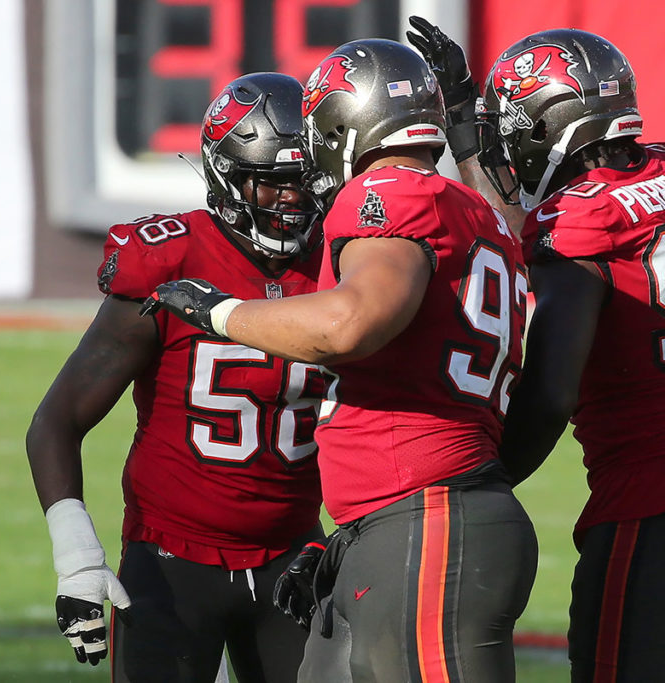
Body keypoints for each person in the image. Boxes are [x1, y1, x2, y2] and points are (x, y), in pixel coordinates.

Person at [141, 38, 538, 683]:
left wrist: (221, 312)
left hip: (424, 515)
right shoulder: (477, 213)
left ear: (348, 126)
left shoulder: (384, 191)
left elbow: (351, 323)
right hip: (397, 518)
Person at [408, 19, 665, 682]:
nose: (512, 149)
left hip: (660, 509)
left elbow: (552, 389)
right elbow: (543, 232)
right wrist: (464, 112)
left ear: (553, 128)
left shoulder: (580, 221)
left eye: (517, 129)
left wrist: (479, 483)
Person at [25, 72, 328, 683]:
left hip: (298, 556)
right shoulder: (169, 257)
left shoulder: (345, 258)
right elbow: (56, 422)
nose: (291, 200)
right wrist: (77, 555)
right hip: (171, 562)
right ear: (225, 175)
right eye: (271, 183)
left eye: (302, 181)